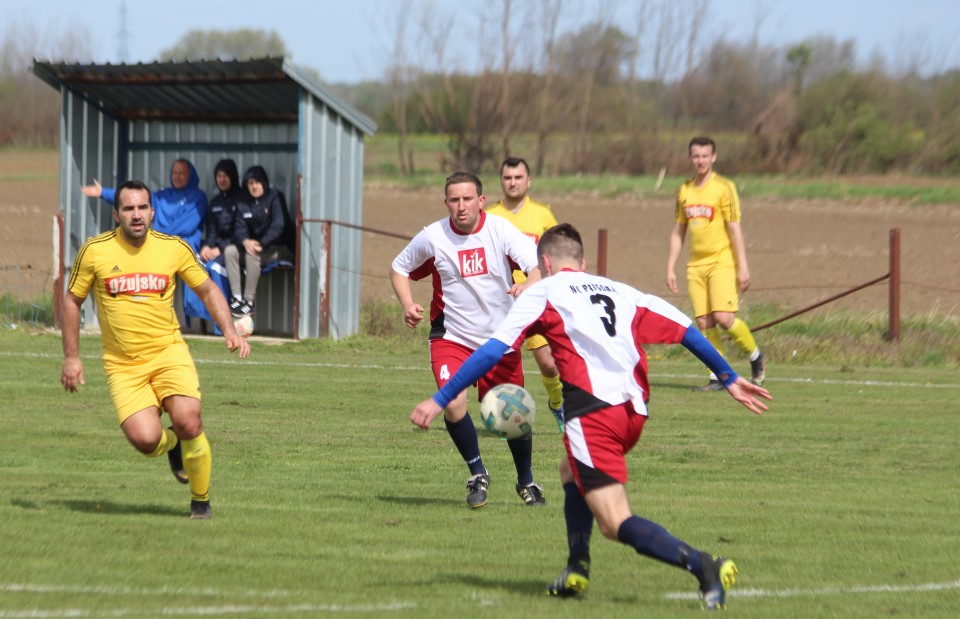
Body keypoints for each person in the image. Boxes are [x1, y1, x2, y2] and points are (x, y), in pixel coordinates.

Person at [409, 223, 772, 610]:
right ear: (583, 262)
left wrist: (441, 397)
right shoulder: (622, 290)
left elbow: (490, 351)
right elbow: (687, 330)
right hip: (633, 413)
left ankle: (702, 565)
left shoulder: (543, 291)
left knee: (614, 522)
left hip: (593, 415)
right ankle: (576, 566)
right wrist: (729, 376)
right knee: (569, 469)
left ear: (544, 263)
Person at [61, 180, 251, 520]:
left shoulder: (173, 248)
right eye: (129, 209)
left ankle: (200, 503)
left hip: (168, 353)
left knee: (189, 421)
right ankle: (172, 445)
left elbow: (207, 289)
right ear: (116, 213)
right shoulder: (95, 250)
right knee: (147, 441)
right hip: (123, 364)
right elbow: (72, 301)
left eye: (142, 208)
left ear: (152, 211)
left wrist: (229, 329)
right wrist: (72, 357)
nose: (137, 215)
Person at [391, 171, 547, 508]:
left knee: (511, 418)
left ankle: (527, 481)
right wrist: (407, 304)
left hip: (499, 341)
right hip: (451, 337)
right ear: (446, 201)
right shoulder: (432, 237)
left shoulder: (501, 230)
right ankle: (477, 472)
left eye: (467, 199)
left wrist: (526, 286)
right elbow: (399, 269)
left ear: (480, 200)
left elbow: (537, 268)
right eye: (454, 200)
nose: (461, 207)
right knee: (453, 402)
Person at [666, 136, 766, 391]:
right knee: (704, 323)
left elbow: (735, 230)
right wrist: (670, 267)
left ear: (714, 157)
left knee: (723, 317)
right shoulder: (684, 191)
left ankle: (755, 356)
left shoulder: (724, 187)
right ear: (690, 158)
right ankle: (718, 376)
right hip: (695, 266)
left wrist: (743, 267)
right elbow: (679, 232)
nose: (700, 160)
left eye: (704, 156)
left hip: (721, 261)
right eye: (696, 156)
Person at [485, 156, 565, 432]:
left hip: (536, 300)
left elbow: (557, 254)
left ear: (528, 181)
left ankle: (557, 404)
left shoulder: (543, 214)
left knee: (549, 364)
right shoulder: (490, 216)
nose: (513, 182)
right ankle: (504, 415)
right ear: (501, 181)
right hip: (500, 302)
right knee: (497, 365)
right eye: (508, 178)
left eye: (518, 177)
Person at [81, 159, 210, 322]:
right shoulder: (162, 196)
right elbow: (132, 200)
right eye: (175, 172)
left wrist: (157, 234)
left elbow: (186, 226)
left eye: (182, 173)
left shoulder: (198, 197)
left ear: (190, 175)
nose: (177, 176)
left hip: (184, 249)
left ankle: (194, 323)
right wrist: (102, 192)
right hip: (159, 248)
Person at [224, 165, 295, 318]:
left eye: (257, 182)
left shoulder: (275, 197)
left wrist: (261, 243)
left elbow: (279, 226)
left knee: (252, 256)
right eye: (250, 183)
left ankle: (249, 302)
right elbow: (239, 226)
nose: (254, 186)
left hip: (279, 248)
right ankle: (237, 298)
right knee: (230, 251)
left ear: (264, 182)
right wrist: (245, 241)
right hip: (253, 247)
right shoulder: (243, 201)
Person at [195, 159, 241, 330]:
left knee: (214, 267)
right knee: (196, 263)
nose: (221, 180)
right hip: (217, 249)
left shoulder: (242, 200)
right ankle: (201, 317)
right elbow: (212, 231)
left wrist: (219, 249)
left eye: (225, 176)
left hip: (235, 251)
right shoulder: (215, 202)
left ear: (233, 177)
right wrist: (207, 247)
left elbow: (241, 233)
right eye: (219, 176)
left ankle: (220, 325)